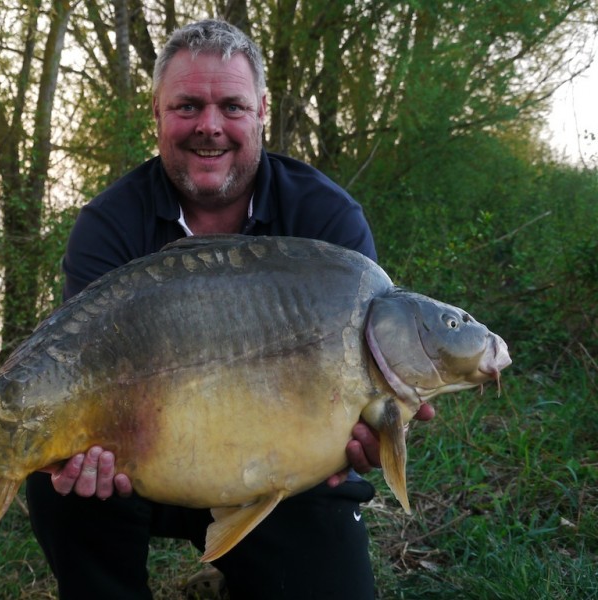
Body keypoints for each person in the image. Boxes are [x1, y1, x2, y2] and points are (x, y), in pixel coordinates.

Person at [26, 19, 434, 600]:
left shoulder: (328, 222)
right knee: (56, 481)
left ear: (262, 110)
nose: (209, 127)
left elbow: (368, 397)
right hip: (145, 463)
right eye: (187, 106)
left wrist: (373, 437)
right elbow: (77, 376)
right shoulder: (109, 225)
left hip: (290, 477)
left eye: (232, 107)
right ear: (158, 113)